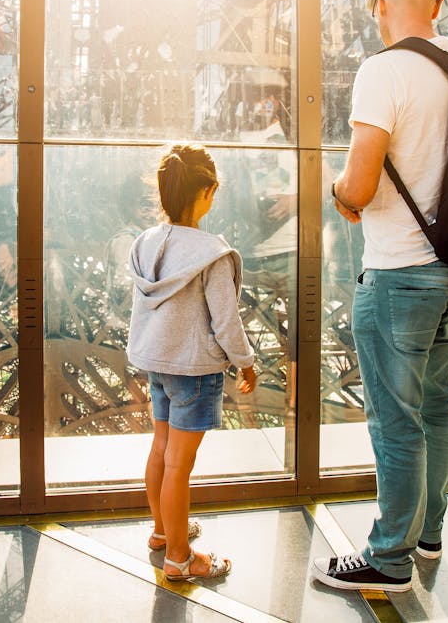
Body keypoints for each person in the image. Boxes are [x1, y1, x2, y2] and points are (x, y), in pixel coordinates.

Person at [311, 0, 448, 594]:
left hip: (401, 273)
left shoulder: (383, 71)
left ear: (380, 1)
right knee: (438, 405)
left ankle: (389, 557)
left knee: (395, 419)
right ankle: (429, 532)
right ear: (435, 6)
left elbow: (358, 181)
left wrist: (341, 191)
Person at [127, 143, 257, 582]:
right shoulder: (211, 254)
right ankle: (180, 560)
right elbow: (226, 319)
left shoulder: (145, 244)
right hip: (195, 372)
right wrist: (246, 362)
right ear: (207, 191)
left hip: (157, 364)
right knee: (181, 465)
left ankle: (164, 532)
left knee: (161, 450)